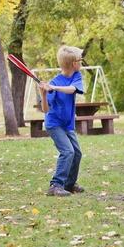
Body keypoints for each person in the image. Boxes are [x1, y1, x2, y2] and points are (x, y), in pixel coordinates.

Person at [40, 45, 85, 197]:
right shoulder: (55, 81)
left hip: (67, 124)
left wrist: (53, 87)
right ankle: (56, 185)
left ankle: (69, 184)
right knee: (67, 152)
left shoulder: (76, 76)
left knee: (77, 153)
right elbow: (45, 110)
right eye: (80, 60)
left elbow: (72, 89)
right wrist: (44, 93)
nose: (82, 62)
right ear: (74, 63)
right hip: (54, 124)